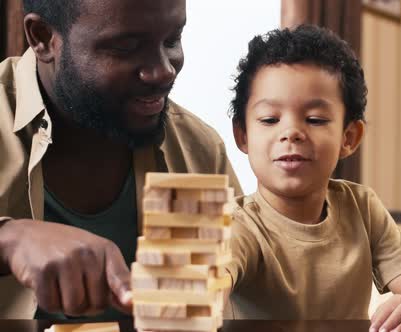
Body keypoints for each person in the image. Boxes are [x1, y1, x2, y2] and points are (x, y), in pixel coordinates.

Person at [0, 0, 241, 321]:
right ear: (43, 37)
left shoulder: (200, 150)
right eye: (126, 46)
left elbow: (248, 269)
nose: (163, 71)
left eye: (172, 40)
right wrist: (11, 239)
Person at [224, 25, 401, 331]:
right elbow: (212, 282)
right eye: (270, 119)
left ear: (349, 137)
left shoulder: (362, 208)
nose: (290, 132)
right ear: (243, 135)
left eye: (315, 119)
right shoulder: (238, 225)